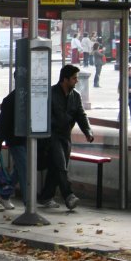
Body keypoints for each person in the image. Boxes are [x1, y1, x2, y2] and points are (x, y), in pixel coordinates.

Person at [37, 64, 94, 210]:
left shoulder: (76, 96)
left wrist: (88, 131)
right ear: (65, 79)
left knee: (56, 168)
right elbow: (42, 115)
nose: (77, 81)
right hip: (51, 136)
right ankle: (69, 196)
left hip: (65, 136)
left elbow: (81, 115)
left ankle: (45, 197)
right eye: (74, 78)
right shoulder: (50, 93)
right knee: (61, 166)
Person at [0, 87, 27, 210]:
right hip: (16, 140)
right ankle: (29, 204)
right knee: (25, 169)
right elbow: (3, 123)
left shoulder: (23, 97)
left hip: (25, 140)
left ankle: (4, 195)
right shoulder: (11, 99)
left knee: (19, 169)